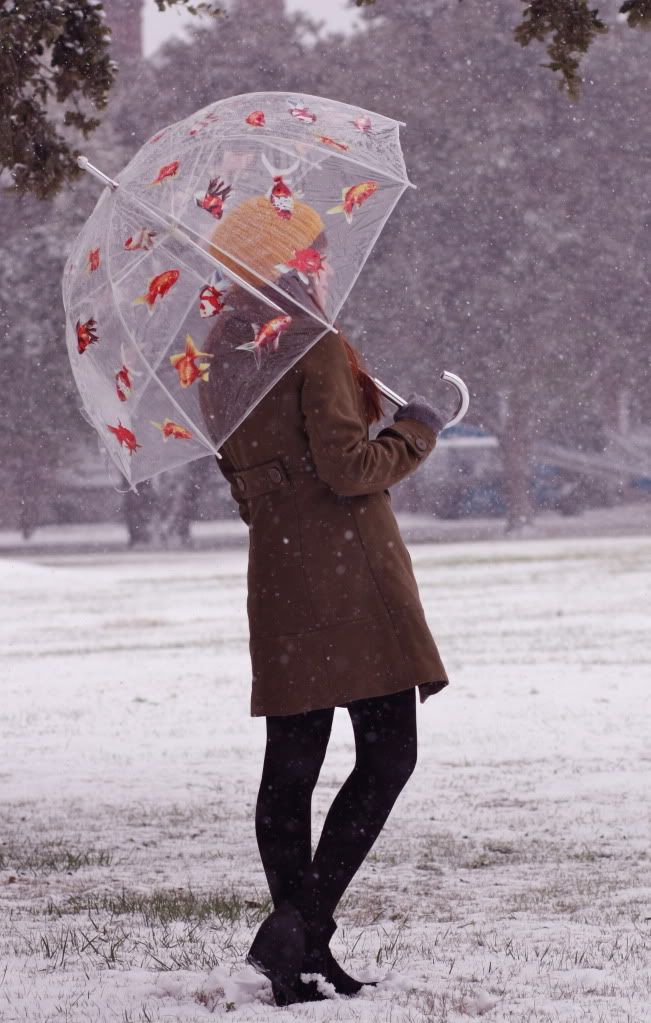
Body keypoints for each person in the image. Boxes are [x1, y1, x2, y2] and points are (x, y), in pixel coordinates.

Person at [198, 193, 457, 1006]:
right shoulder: (309, 342)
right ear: (293, 259)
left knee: (292, 760)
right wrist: (413, 430)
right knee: (387, 754)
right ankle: (299, 928)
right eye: (314, 249)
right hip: (348, 572)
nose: (325, 262)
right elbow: (349, 468)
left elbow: (245, 476)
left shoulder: (216, 348)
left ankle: (298, 947)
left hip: (277, 572)